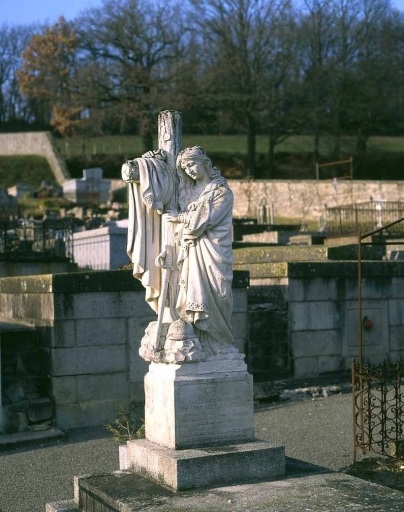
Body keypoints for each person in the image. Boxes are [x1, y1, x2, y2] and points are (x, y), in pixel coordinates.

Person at [166, 146, 238, 357]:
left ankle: (221, 344)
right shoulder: (186, 193)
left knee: (219, 294)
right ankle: (199, 343)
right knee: (193, 295)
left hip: (214, 253)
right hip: (191, 252)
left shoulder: (221, 192)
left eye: (191, 164)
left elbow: (206, 221)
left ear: (205, 163)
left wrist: (180, 218)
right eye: (185, 167)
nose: (189, 170)